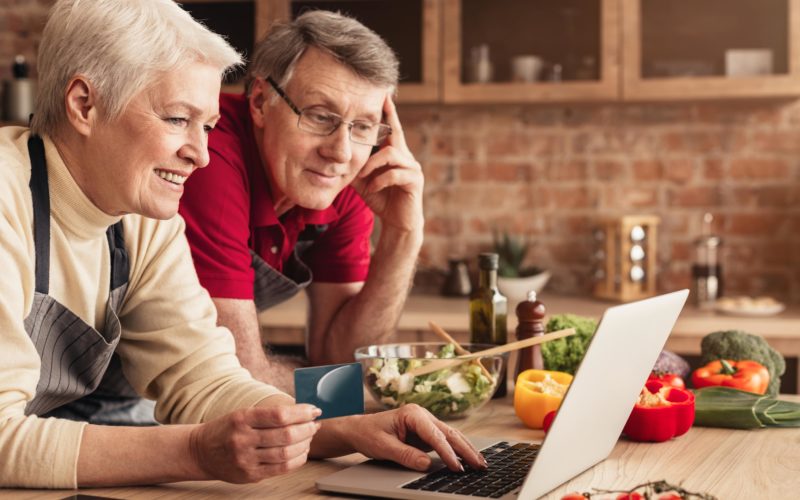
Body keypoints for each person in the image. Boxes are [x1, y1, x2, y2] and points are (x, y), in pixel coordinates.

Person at [0, 0, 484, 489]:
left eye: (207, 126)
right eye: (176, 119)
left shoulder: (141, 218)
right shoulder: (6, 197)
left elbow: (205, 378)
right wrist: (195, 449)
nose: (201, 155)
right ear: (85, 104)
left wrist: (349, 431)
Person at [178, 11, 424, 392]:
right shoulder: (211, 154)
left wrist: (403, 233)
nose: (340, 152)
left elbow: (343, 356)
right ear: (260, 101)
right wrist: (342, 393)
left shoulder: (345, 178)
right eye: (320, 116)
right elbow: (238, 379)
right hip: (97, 403)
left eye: (362, 127)